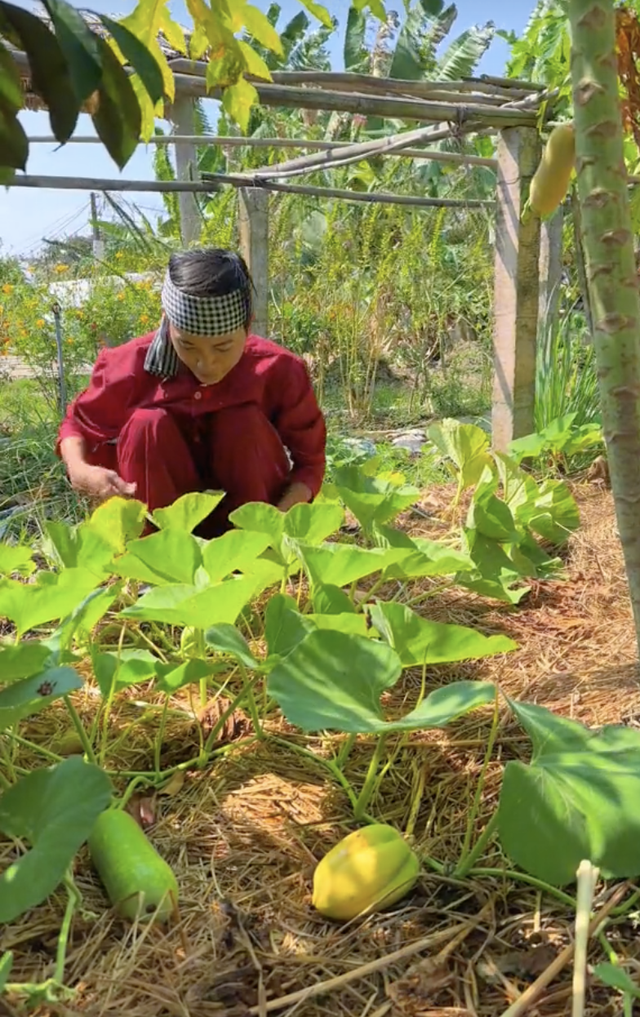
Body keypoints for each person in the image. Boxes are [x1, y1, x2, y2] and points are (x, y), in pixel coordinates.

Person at [57, 248, 326, 538]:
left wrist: (276, 522)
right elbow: (78, 427)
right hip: (161, 526)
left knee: (242, 423)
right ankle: (158, 553)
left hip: (252, 528)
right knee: (147, 425)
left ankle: (250, 553)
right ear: (167, 323)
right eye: (187, 345)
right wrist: (80, 471)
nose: (206, 363)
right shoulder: (129, 364)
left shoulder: (277, 370)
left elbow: (309, 463)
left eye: (222, 347)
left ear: (248, 325)